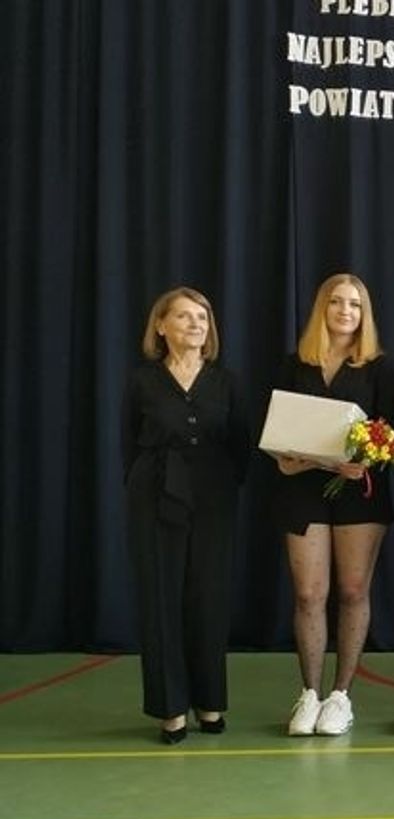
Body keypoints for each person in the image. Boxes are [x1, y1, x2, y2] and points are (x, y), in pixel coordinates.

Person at [269, 273, 394, 736]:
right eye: (337, 302)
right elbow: (277, 428)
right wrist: (289, 460)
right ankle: (309, 693)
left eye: (355, 304)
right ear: (321, 309)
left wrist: (366, 460)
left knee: (352, 591)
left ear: (365, 314)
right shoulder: (294, 364)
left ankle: (341, 697)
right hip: (301, 490)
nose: (346, 311)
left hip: (359, 493)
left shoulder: (380, 367)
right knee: (309, 594)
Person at [121, 287, 250, 744]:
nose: (196, 324)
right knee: (161, 599)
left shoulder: (227, 382)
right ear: (161, 326)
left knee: (208, 598)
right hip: (155, 496)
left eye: (202, 317)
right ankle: (170, 708)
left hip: (214, 498)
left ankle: (209, 702)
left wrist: (222, 483)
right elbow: (127, 443)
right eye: (184, 316)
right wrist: (142, 485)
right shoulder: (142, 381)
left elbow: (241, 443)